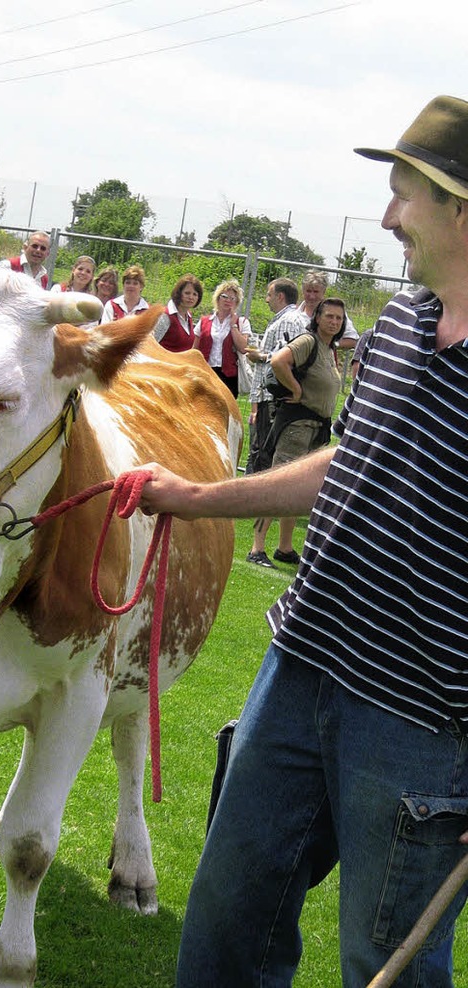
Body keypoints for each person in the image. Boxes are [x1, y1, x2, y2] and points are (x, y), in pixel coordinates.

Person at [135, 94, 468, 988]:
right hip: (302, 662)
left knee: (386, 960)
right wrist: (196, 498)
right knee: (226, 920)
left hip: (424, 718)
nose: (389, 216)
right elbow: (346, 466)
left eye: (404, 195)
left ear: (461, 203)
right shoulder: (399, 323)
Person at [246, 298, 347, 568]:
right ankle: (257, 548)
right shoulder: (309, 342)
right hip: (298, 425)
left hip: (315, 428)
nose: (334, 322)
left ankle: (285, 547)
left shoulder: (329, 348)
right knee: (280, 482)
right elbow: (279, 361)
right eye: (329, 316)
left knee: (298, 488)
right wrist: (297, 389)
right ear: (318, 318)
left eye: (338, 318)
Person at [244, 278, 306, 477]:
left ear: (280, 296)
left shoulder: (287, 321)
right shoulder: (297, 319)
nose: (266, 299)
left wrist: (258, 356)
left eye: (269, 295)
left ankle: (257, 503)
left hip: (273, 399)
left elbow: (284, 359)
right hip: (279, 400)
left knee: (263, 455)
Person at [193, 279, 251, 397]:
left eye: (232, 298)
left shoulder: (242, 322)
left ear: (236, 302)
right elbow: (194, 349)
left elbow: (244, 348)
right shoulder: (204, 321)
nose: (228, 301)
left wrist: (233, 326)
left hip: (228, 376)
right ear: (218, 298)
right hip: (205, 372)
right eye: (225, 296)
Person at [298, 268, 359, 350]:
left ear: (324, 292)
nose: (312, 296)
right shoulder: (293, 315)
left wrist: (330, 345)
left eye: (316, 292)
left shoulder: (336, 314)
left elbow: (352, 340)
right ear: (302, 291)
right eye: (308, 291)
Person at [154, 274, 203, 352]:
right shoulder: (166, 316)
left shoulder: (188, 317)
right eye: (187, 293)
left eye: (195, 294)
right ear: (179, 293)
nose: (191, 297)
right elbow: (152, 343)